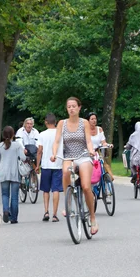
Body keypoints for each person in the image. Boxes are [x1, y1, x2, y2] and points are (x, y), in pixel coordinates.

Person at [51, 97, 98, 235]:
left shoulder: (84, 123)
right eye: (69, 106)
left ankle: (93, 218)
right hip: (68, 156)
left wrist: (91, 150)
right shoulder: (61, 123)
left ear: (79, 108)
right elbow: (57, 141)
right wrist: (54, 154)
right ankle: (69, 202)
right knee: (65, 172)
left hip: (83, 155)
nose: (71, 108)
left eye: (73, 106)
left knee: (86, 186)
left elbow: (88, 141)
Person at [0, 126, 26, 224]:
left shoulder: (0, 146)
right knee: (14, 196)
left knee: (5, 194)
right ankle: (14, 218)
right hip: (14, 172)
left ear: (3, 135)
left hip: (3, 172)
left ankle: (5, 210)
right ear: (13, 134)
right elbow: (23, 158)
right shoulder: (17, 146)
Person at [36, 113, 63, 222]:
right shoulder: (60, 133)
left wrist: (37, 165)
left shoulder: (42, 134)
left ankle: (46, 211)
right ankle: (55, 214)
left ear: (46, 122)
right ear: (55, 122)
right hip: (58, 164)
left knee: (46, 190)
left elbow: (39, 151)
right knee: (56, 189)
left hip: (46, 164)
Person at [86, 112, 115, 181]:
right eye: (92, 119)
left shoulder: (99, 129)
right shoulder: (85, 130)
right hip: (87, 153)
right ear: (88, 121)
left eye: (95, 119)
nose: (94, 120)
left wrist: (108, 145)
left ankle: (110, 178)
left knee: (103, 163)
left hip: (96, 152)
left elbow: (103, 142)